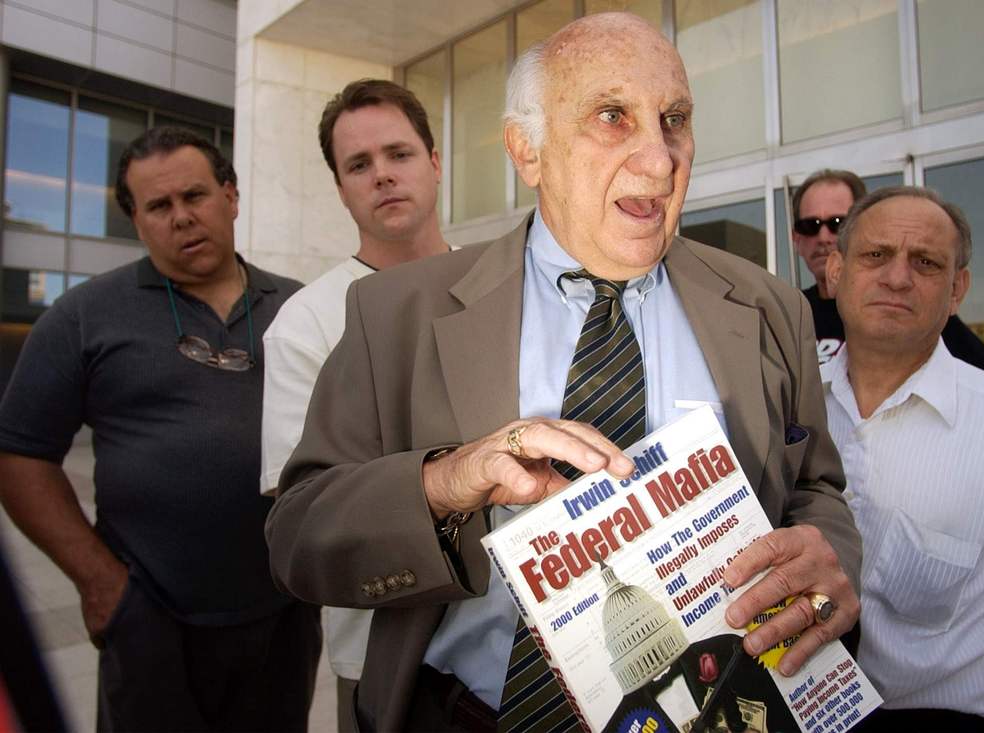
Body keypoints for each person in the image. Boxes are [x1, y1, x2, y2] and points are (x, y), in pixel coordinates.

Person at [267, 13, 861, 732]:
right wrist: (445, 482)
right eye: (613, 116)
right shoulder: (395, 313)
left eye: (674, 119)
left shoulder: (769, 309)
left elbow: (816, 491)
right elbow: (298, 537)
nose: (660, 157)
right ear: (527, 150)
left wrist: (830, 566)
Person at [0, 127, 320, 731]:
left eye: (195, 196)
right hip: (149, 621)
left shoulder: (301, 308)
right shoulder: (83, 315)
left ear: (231, 196)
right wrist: (101, 586)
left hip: (282, 616)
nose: (181, 218)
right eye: (158, 206)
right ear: (136, 220)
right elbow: (19, 454)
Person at [260, 79, 451, 731]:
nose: (383, 176)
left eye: (398, 153)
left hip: (525, 648)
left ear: (435, 161)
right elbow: (307, 524)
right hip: (384, 663)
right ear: (341, 188)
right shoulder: (306, 323)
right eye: (359, 165)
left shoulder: (507, 287)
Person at [820, 186, 984, 731]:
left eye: (926, 262)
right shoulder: (787, 403)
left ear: (957, 289)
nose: (897, 277)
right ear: (836, 271)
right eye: (876, 255)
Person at [791, 169, 984, 377]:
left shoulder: (915, 311)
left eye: (837, 223)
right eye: (810, 226)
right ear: (796, 238)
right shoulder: (789, 313)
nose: (823, 237)